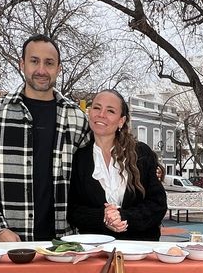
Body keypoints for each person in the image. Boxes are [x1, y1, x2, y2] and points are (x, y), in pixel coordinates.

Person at [0, 34, 91, 242]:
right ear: (22, 64)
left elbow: (92, 177)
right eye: (34, 61)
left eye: (49, 63)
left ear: (59, 68)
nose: (42, 70)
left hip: (64, 244)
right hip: (8, 242)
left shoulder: (77, 118)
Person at [68, 90, 167, 241]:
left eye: (110, 111)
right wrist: (104, 217)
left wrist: (123, 217)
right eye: (96, 108)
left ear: (121, 121)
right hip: (96, 251)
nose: (101, 114)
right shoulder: (79, 158)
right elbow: (73, 211)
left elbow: (157, 205)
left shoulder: (141, 153)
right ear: (89, 113)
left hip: (140, 251)